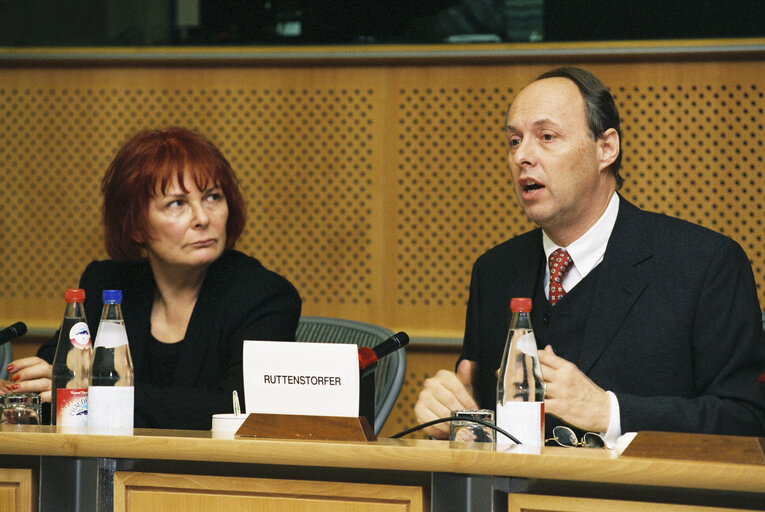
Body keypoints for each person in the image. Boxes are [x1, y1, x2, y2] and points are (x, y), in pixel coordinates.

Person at [414, 67, 765, 444]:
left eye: (546, 137)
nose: (522, 156)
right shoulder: (495, 271)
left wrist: (609, 412)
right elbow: (486, 420)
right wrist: (453, 417)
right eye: (514, 141)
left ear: (606, 148)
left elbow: (746, 418)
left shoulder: (704, 264)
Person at [3, 127, 302, 430]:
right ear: (135, 225)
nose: (203, 218)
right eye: (177, 203)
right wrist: (36, 384)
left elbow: (236, 407)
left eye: (213, 197)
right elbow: (59, 374)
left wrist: (94, 396)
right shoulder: (106, 284)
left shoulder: (264, 296)